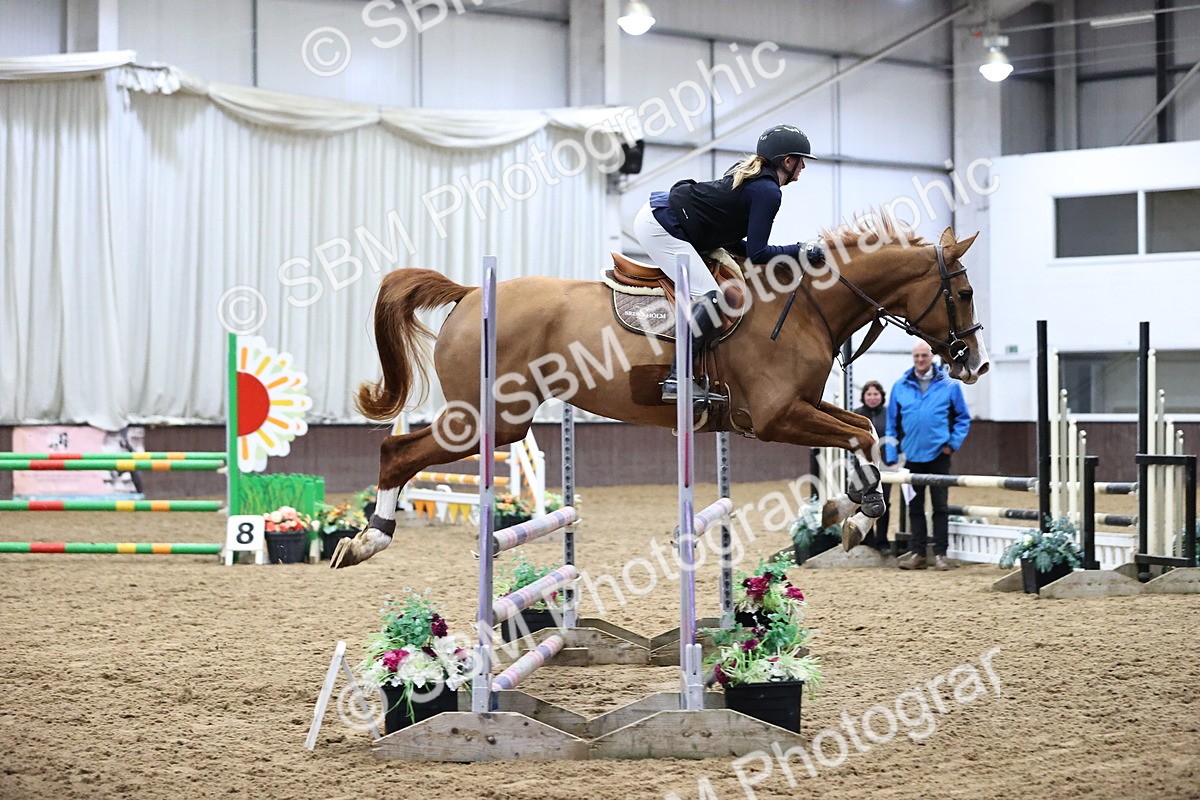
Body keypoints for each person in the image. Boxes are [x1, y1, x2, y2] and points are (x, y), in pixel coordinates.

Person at [633, 124, 817, 402]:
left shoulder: (754, 178)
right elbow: (758, 254)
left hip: (664, 214)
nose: (803, 166)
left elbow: (735, 243)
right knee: (711, 297)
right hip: (661, 226)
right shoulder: (768, 192)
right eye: (801, 160)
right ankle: (676, 379)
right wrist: (801, 251)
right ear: (787, 162)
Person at [884, 342, 971, 571]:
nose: (920, 360)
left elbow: (963, 417)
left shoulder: (949, 384)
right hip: (911, 457)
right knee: (915, 507)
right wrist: (891, 454)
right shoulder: (900, 386)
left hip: (939, 454)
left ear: (932, 357)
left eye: (924, 356)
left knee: (940, 506)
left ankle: (941, 554)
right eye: (916, 356)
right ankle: (918, 553)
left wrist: (952, 444)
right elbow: (891, 424)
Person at [854, 380, 891, 555]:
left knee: (884, 503)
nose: (872, 397)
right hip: (863, 466)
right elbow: (851, 439)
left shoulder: (889, 414)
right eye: (869, 394)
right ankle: (867, 538)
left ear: (882, 396)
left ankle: (882, 541)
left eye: (876, 394)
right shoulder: (857, 415)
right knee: (863, 502)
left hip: (885, 466)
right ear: (863, 396)